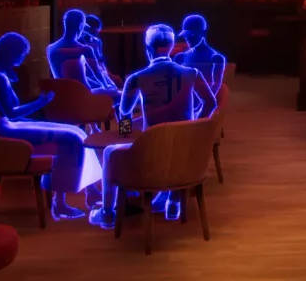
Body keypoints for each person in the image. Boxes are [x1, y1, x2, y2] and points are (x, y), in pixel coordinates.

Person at [88, 24, 217, 228]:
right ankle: (172, 201)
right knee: (172, 145)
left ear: (147, 49)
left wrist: (125, 134)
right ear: (172, 47)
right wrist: (194, 126)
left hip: (152, 153)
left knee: (110, 153)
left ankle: (107, 213)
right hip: (185, 152)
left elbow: (125, 112)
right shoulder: (192, 73)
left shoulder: (136, 79)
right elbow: (210, 103)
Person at [0, 32, 93, 220]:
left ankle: (90, 191)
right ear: (11, 52)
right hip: (5, 129)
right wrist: (41, 102)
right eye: (21, 53)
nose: (23, 57)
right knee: (73, 137)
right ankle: (61, 202)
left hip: (8, 125)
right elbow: (11, 113)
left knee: (77, 132)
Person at [47, 8, 111, 91]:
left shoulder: (50, 48)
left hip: (61, 93)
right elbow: (97, 73)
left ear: (65, 23)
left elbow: (74, 77)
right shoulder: (85, 49)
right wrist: (106, 86)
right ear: (81, 26)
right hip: (83, 93)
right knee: (118, 94)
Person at [174, 13, 227, 95]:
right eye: (186, 35)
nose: (188, 38)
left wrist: (204, 102)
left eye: (192, 34)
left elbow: (216, 84)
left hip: (201, 100)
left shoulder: (216, 58)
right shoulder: (181, 57)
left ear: (203, 33)